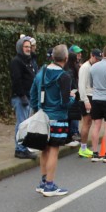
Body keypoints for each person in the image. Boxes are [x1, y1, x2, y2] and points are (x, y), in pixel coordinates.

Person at [29, 44, 75, 197]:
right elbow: (65, 102)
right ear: (66, 58)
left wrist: (37, 109)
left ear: (53, 57)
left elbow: (33, 94)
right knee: (54, 150)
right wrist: (73, 98)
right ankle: (50, 185)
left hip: (42, 116)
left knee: (44, 149)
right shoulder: (64, 76)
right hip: (58, 117)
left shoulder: (41, 72)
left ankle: (43, 182)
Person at [9, 36, 38, 160]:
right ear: (20, 47)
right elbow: (17, 80)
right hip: (21, 97)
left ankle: (24, 147)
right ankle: (20, 149)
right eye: (25, 47)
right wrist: (22, 96)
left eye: (29, 47)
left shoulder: (28, 61)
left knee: (26, 123)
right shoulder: (17, 61)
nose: (28, 49)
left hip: (29, 96)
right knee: (22, 124)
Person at [76, 49, 99, 158]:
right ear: (91, 56)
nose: (97, 61)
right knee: (86, 122)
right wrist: (85, 100)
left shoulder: (94, 67)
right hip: (86, 97)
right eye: (96, 58)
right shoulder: (85, 67)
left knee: (89, 123)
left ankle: (84, 147)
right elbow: (81, 86)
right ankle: (83, 148)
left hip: (92, 96)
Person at [65, 46, 84, 147]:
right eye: (77, 53)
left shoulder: (76, 66)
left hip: (74, 93)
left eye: (80, 53)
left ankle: (73, 133)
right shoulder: (71, 69)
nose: (79, 55)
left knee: (73, 115)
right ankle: (73, 133)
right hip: (73, 94)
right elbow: (72, 82)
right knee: (73, 115)